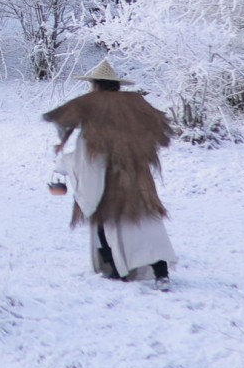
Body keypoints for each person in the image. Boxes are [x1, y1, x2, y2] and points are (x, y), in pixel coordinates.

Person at [43, 59, 174, 281]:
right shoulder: (135, 105)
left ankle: (115, 268)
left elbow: (86, 155)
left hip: (109, 180)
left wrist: (62, 166)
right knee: (146, 221)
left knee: (104, 220)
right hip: (137, 175)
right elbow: (157, 131)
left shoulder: (93, 109)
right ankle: (161, 271)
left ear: (95, 85)